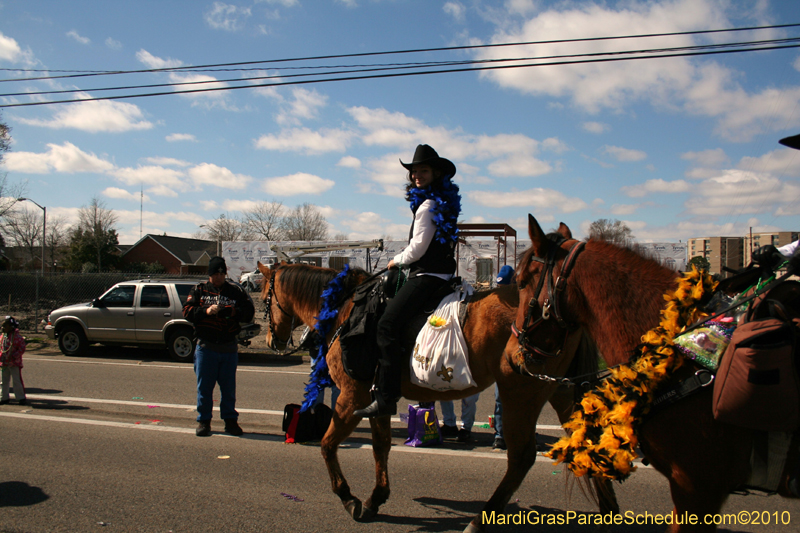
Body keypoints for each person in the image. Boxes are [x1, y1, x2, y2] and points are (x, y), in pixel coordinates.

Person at [355, 144, 461, 418]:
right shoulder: (441, 202)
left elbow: (417, 249)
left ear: (436, 173)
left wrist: (395, 261)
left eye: (423, 170)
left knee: (386, 325)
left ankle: (387, 397)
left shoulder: (427, 206)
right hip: (444, 274)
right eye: (414, 171)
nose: (417, 175)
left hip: (427, 275)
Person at [183, 256, 255, 437]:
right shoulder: (199, 290)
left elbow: (248, 312)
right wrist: (206, 311)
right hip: (206, 347)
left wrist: (231, 311)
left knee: (228, 389)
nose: (219, 277)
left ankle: (230, 421)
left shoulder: (235, 291)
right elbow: (187, 312)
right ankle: (204, 421)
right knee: (205, 388)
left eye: (222, 273)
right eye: (216, 274)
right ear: (210, 274)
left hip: (228, 347)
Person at [492, 265, 514, 451]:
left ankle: (519, 432)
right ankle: (500, 435)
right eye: (499, 286)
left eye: (504, 286)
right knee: (500, 399)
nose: (501, 290)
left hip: (515, 357)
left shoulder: (520, 303)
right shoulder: (496, 302)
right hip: (500, 358)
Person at [0, 316, 26, 406]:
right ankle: (4, 397)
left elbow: (22, 348)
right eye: (2, 326)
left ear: (11, 327)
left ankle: (20, 397)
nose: (2, 328)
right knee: (4, 381)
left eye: (4, 326)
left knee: (16, 380)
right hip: (4, 363)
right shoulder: (2, 338)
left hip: (14, 363)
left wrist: (15, 355)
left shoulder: (17, 338)